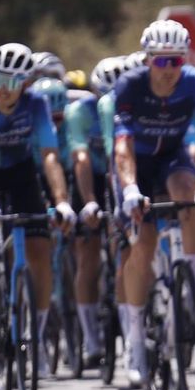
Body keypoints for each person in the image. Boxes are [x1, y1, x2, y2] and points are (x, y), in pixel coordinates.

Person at [112, 20, 195, 389]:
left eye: (175, 62)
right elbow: (122, 145)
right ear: (147, 60)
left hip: (173, 158)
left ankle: (193, 281)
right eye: (160, 63)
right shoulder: (130, 85)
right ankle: (134, 341)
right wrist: (130, 188)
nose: (168, 71)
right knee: (143, 244)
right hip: (138, 166)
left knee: (188, 195)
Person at [0, 43, 75, 348]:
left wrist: (62, 201)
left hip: (21, 169)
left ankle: (35, 334)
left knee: (41, 250)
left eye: (12, 82)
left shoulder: (36, 104)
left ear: (25, 83)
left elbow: (50, 155)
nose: (3, 88)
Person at [64, 57, 123, 367]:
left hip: (120, 176)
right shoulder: (80, 112)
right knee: (87, 254)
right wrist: (89, 202)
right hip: (90, 180)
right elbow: (81, 160)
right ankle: (90, 337)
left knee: (124, 246)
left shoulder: (130, 108)